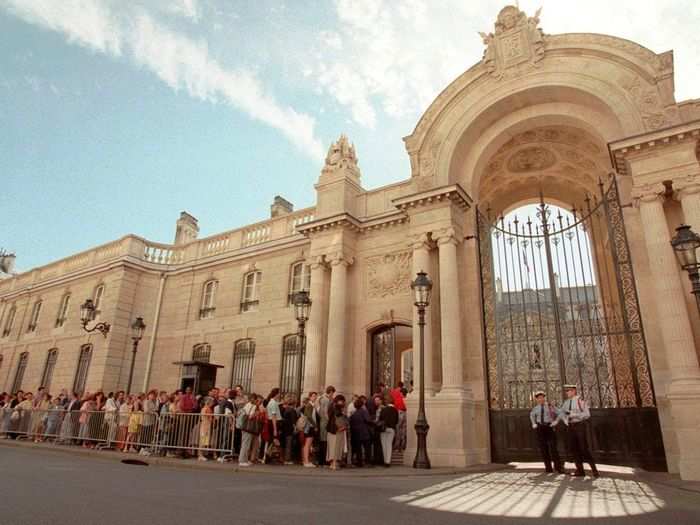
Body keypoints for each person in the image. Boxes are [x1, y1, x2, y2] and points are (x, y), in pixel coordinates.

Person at [554, 384, 599, 478]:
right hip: (570, 427)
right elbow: (562, 413)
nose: (567, 392)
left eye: (569, 390)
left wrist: (574, 415)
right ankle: (580, 470)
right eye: (566, 391)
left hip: (579, 426)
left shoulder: (580, 401)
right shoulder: (566, 403)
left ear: (574, 391)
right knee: (574, 449)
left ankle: (594, 470)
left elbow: (587, 414)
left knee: (584, 448)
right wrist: (563, 418)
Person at [529, 390, 564, 474]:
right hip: (540, 428)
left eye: (542, 397)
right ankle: (548, 468)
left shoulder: (550, 406)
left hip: (549, 427)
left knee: (553, 448)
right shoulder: (535, 408)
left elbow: (560, 413)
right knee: (543, 449)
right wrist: (533, 423)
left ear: (544, 398)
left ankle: (558, 467)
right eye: (538, 398)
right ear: (536, 399)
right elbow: (532, 415)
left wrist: (556, 421)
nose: (540, 399)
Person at [238, 394, 264, 467]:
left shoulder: (248, 405)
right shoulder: (252, 406)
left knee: (246, 443)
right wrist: (257, 413)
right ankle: (242, 460)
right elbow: (250, 416)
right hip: (248, 427)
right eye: (258, 400)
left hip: (246, 427)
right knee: (246, 444)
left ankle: (244, 460)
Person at [326, 394, 348, 471]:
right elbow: (340, 420)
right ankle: (335, 463)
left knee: (332, 447)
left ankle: (332, 463)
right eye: (342, 401)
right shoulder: (338, 409)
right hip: (337, 430)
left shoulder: (331, 406)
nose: (343, 403)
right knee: (336, 447)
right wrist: (343, 426)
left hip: (331, 430)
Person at [349, 398, 372, 467]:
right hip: (364, 432)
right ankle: (368, 462)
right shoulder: (364, 412)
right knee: (367, 448)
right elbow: (368, 420)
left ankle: (359, 462)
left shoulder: (353, 414)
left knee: (358, 449)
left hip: (356, 433)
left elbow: (351, 423)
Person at [378, 396, 398, 467]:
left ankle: (385, 460)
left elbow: (380, 419)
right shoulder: (395, 410)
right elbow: (396, 421)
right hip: (391, 429)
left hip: (383, 429)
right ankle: (388, 461)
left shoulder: (383, 410)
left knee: (384, 445)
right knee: (389, 444)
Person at [317, 385, 335, 466]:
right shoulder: (326, 400)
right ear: (330, 392)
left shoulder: (322, 398)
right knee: (324, 441)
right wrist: (329, 421)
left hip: (322, 422)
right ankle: (323, 461)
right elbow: (325, 412)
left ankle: (322, 460)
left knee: (322, 441)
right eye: (332, 393)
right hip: (324, 422)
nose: (333, 395)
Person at [300, 392, 318, 467]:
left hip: (309, 426)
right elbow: (309, 416)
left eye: (315, 396)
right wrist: (315, 425)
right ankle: (306, 461)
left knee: (306, 444)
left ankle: (305, 460)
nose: (315, 398)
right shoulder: (310, 405)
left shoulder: (311, 405)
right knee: (308, 444)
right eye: (313, 396)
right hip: (309, 426)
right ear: (310, 397)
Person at [263, 388, 281, 463]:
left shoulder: (271, 402)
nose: (280, 395)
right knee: (274, 441)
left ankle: (268, 457)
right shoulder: (273, 403)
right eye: (279, 393)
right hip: (274, 422)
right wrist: (275, 429)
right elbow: (273, 416)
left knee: (272, 441)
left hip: (271, 422)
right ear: (276, 394)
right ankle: (268, 457)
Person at [280, 395, 298, 465]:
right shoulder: (292, 410)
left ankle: (284, 458)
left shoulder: (285, 409)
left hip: (284, 428)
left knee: (285, 444)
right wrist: (295, 428)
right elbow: (294, 421)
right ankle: (287, 459)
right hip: (289, 429)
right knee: (289, 444)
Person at [390, 382, 407, 452]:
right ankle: (403, 446)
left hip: (399, 413)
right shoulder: (407, 399)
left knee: (398, 430)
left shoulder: (398, 398)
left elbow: (395, 407)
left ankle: (397, 446)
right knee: (404, 431)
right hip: (406, 413)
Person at [198, 397, 215, 461]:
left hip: (204, 425)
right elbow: (210, 418)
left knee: (203, 440)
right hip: (206, 425)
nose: (212, 403)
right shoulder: (208, 409)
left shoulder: (203, 408)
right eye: (212, 402)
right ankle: (200, 455)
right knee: (203, 440)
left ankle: (201, 455)